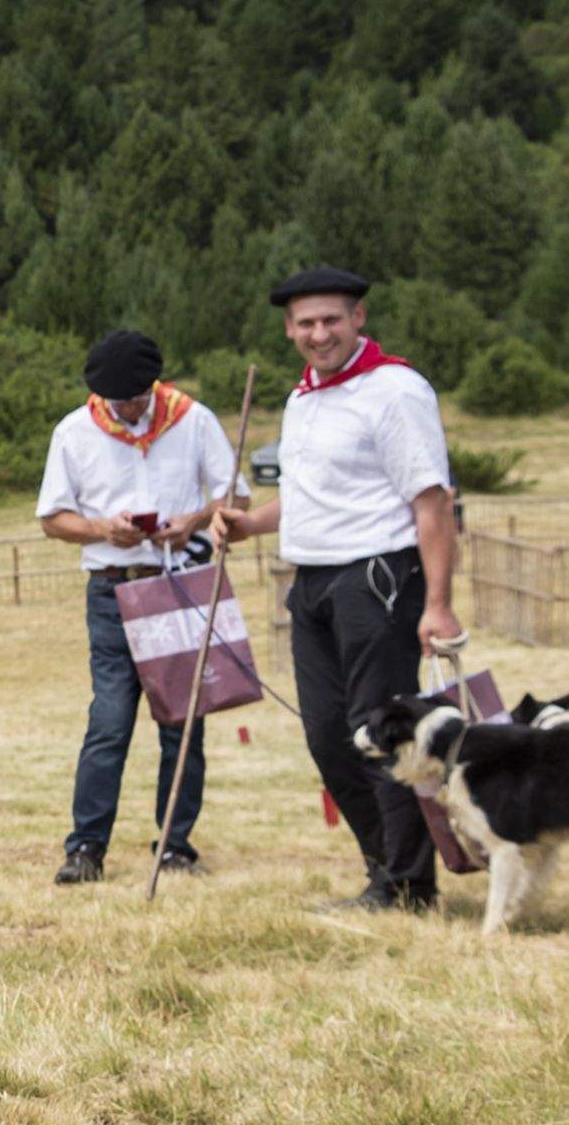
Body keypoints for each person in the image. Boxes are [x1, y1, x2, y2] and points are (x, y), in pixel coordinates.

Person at [220, 268, 460, 914]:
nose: (317, 333)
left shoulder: (394, 391)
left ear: (356, 319)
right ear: (287, 329)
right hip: (311, 585)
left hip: (375, 582)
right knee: (328, 737)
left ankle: (408, 885)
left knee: (377, 734)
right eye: (305, 323)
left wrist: (436, 602)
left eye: (330, 319)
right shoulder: (301, 400)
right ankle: (383, 870)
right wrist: (248, 524)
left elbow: (431, 502)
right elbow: (303, 497)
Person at [34, 328, 245, 885]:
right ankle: (85, 848)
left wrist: (194, 521)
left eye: (134, 397)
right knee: (109, 720)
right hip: (111, 589)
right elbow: (53, 518)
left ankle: (175, 845)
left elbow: (235, 496)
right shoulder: (73, 432)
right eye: (114, 400)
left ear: (153, 384)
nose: (125, 408)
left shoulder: (193, 419)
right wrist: (103, 529)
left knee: (182, 721)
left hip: (179, 585)